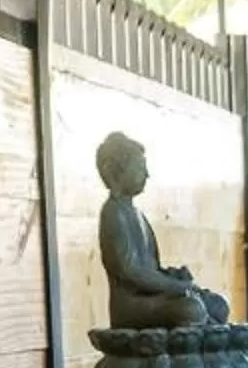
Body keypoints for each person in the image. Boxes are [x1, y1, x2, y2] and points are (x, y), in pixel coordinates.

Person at [96, 131, 228, 329]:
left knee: (218, 304)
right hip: (132, 304)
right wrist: (177, 287)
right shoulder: (114, 213)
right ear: (118, 171)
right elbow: (130, 272)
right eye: (140, 168)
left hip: (152, 296)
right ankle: (193, 352)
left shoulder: (137, 214)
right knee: (191, 309)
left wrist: (172, 276)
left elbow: (150, 268)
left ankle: (208, 346)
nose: (147, 174)